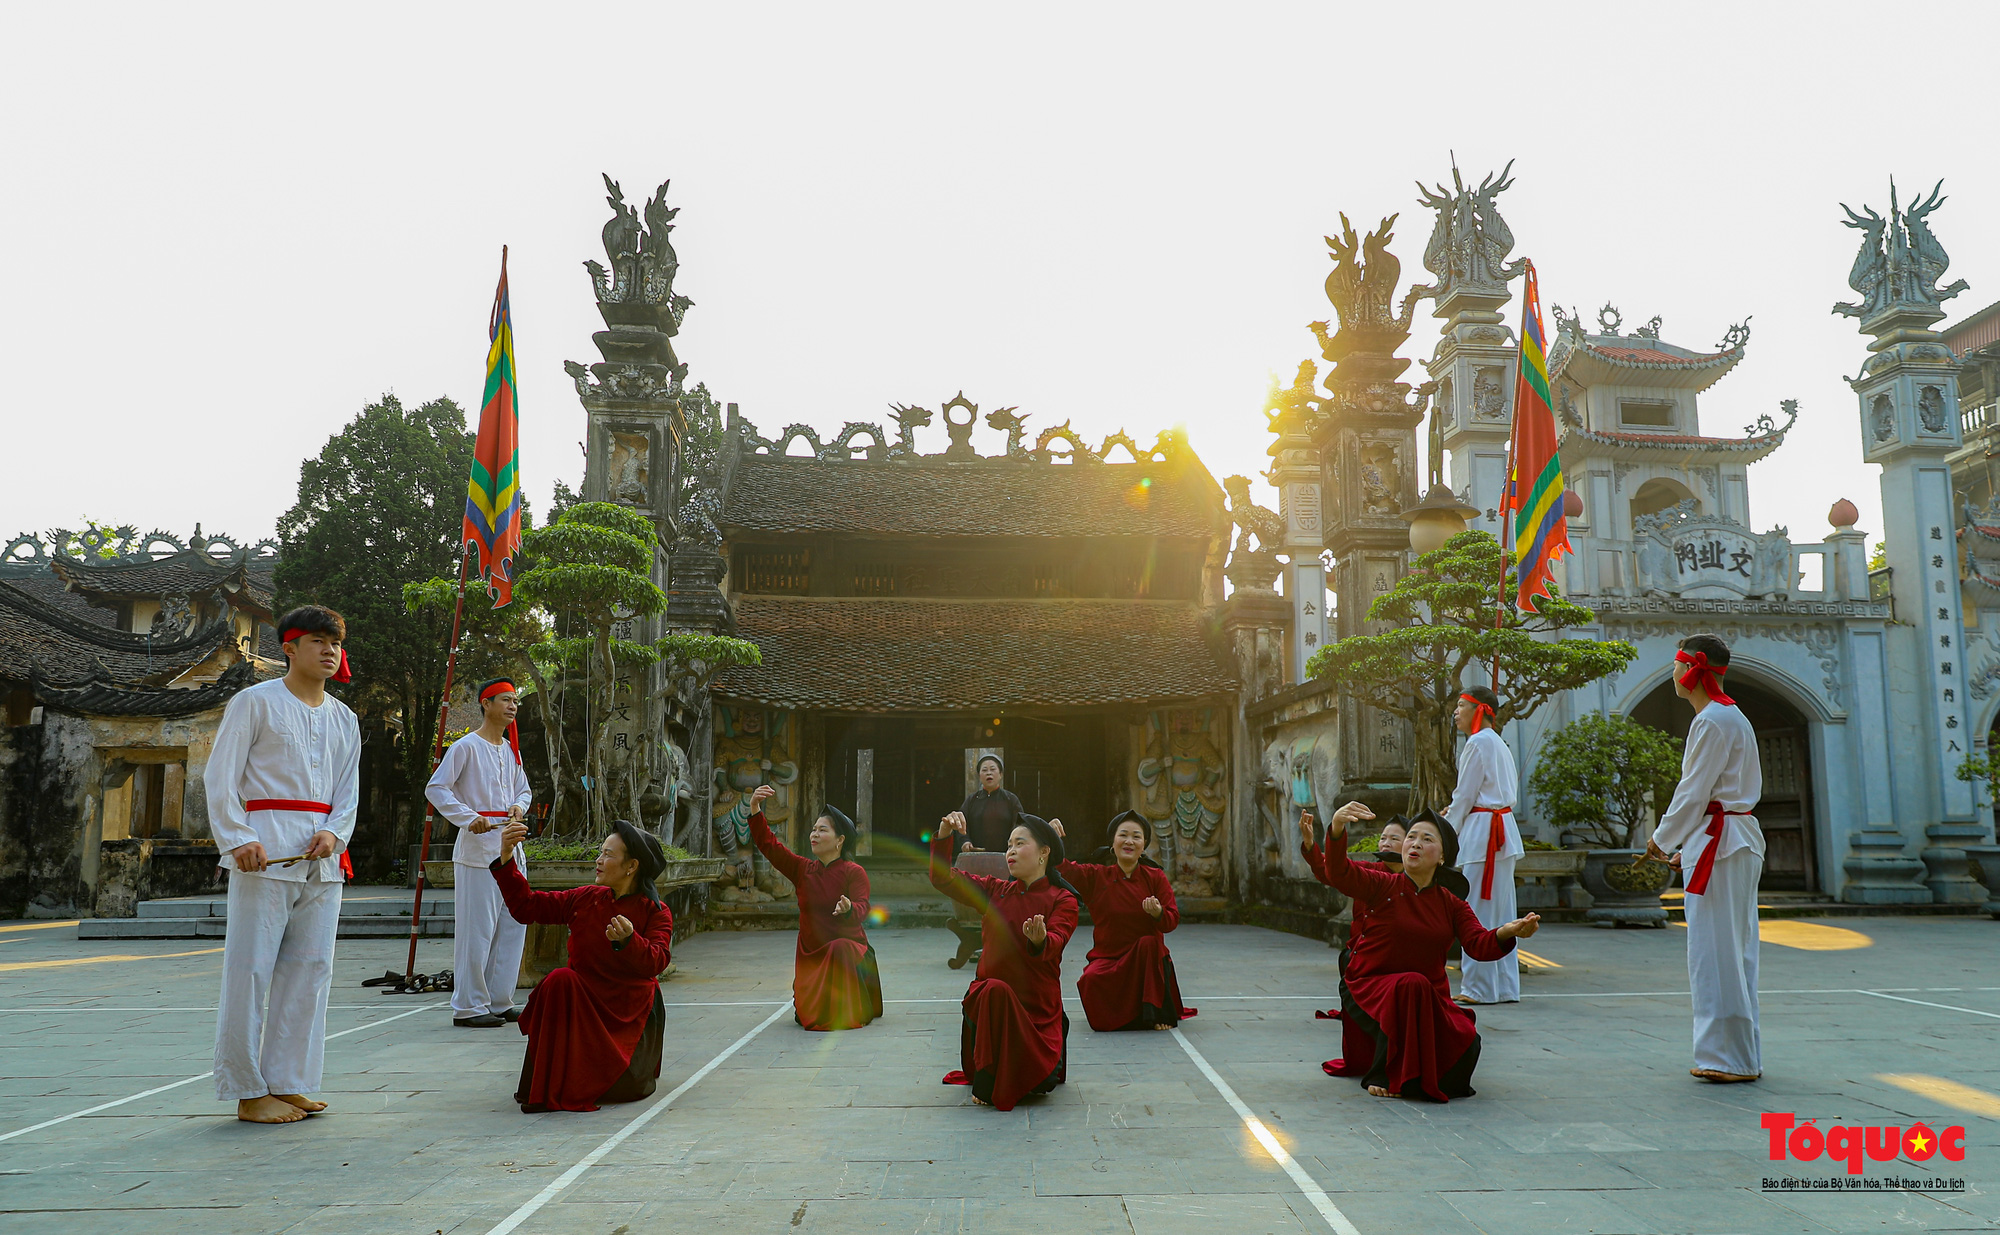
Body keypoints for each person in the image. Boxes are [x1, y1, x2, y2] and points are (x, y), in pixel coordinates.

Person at [205, 604, 360, 1124]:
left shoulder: (345, 718)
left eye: (334, 642)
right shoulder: (255, 703)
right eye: (317, 641)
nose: (329, 650)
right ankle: (248, 1091)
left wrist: (335, 833)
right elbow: (219, 776)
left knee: (311, 970)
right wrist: (236, 837)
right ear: (288, 647)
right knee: (249, 970)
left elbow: (348, 792)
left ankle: (289, 1081)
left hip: (322, 856)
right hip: (263, 852)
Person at [1301, 803, 1540, 1101]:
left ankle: (1418, 1076)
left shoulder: (1451, 903)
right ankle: (1386, 1073)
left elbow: (1479, 944)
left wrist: (1509, 930)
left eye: (1427, 839)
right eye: (1411, 837)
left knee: (1466, 1038)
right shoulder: (1381, 884)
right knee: (1410, 984)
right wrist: (1336, 828)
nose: (1415, 843)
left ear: (1442, 857)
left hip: (1427, 995)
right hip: (1370, 986)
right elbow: (1338, 872)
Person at [1641, 633, 1764, 1084]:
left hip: (1723, 839)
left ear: (1692, 668)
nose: (1672, 672)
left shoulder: (1711, 720)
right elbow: (1709, 793)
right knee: (1736, 949)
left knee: (1716, 952)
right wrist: (1684, 847)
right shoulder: (1732, 716)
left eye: (1676, 663)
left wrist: (1662, 838)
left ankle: (1726, 1057)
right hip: (1731, 838)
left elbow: (1694, 791)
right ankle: (1738, 1054)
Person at [492, 817, 674, 1112]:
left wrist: (630, 942)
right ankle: (551, 1083)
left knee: (564, 979)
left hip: (627, 1014)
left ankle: (588, 1079)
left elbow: (658, 961)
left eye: (608, 855)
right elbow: (526, 907)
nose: (598, 861)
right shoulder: (586, 898)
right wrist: (506, 856)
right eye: (600, 852)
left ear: (631, 867)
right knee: (560, 980)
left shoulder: (655, 911)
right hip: (584, 1005)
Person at [930, 809, 1078, 1109]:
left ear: (1043, 853)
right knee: (993, 989)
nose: (1010, 851)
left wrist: (1040, 940)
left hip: (1034, 1015)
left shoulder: (1062, 899)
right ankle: (987, 1074)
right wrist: (944, 834)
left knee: (997, 990)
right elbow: (943, 878)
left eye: (1020, 843)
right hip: (990, 1004)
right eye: (1009, 844)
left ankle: (1008, 1077)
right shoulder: (995, 890)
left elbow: (1058, 939)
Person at [424, 678, 533, 1028]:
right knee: (478, 930)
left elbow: (524, 790)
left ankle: (499, 999)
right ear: (486, 703)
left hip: (510, 845)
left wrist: (517, 807)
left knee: (513, 924)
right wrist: (469, 818)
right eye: (505, 700)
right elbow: (437, 788)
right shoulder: (466, 747)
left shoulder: (511, 751)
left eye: (515, 701)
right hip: (478, 851)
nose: (513, 706)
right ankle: (469, 1005)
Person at [747, 783, 883, 1031]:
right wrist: (755, 808)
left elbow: (863, 908)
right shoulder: (803, 869)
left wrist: (849, 908)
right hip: (812, 953)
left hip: (848, 948)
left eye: (822, 830)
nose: (814, 835)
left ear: (840, 840)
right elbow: (770, 846)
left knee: (840, 947)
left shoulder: (854, 872)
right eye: (813, 830)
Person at [1049, 810, 1194, 1031]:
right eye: (1123, 835)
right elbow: (1063, 869)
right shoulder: (1097, 876)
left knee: (1149, 943)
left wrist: (1157, 913)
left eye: (1136, 836)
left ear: (1144, 845)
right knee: (1090, 981)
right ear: (1113, 843)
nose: (1129, 841)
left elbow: (1171, 921)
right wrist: (1050, 836)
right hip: (1108, 957)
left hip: (1146, 960)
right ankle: (1130, 1018)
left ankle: (1154, 1013)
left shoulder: (1155, 877)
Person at [1309, 814, 1406, 1076]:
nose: (1386, 843)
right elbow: (1332, 871)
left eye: (1394, 838)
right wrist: (1313, 843)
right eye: (1383, 837)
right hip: (1359, 959)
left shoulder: (1421, 883)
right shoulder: (1371, 873)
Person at [1446, 685, 1523, 1006]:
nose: (1455, 711)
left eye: (1462, 705)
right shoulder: (1500, 744)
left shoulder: (1477, 743)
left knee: (1476, 912)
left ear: (1479, 709)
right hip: (1503, 830)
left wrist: (1444, 831)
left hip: (1483, 833)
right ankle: (1505, 987)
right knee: (1502, 911)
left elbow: (1464, 796)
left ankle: (1478, 987)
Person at [957, 754, 1024, 853]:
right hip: (976, 856)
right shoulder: (972, 800)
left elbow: (1020, 826)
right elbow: (961, 824)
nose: (989, 773)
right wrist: (965, 842)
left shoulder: (1011, 799)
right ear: (979, 776)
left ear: (1000, 774)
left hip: (1005, 857)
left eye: (992, 769)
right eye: (984, 770)